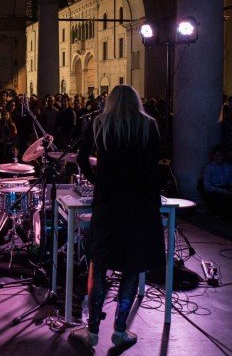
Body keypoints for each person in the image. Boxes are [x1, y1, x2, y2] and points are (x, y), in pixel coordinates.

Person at [71, 85, 165, 348]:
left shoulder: (100, 123)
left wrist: (96, 180)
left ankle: (91, 332)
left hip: (109, 203)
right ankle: (120, 331)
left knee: (99, 263)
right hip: (141, 204)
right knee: (132, 266)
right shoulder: (150, 126)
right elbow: (153, 166)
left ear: (110, 101)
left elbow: (81, 158)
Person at [200, 144, 232, 217]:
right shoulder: (209, 168)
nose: (218, 158)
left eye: (220, 155)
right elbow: (207, 186)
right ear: (213, 156)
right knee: (220, 198)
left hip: (226, 187)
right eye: (216, 156)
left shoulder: (229, 167)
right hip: (214, 189)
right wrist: (224, 191)